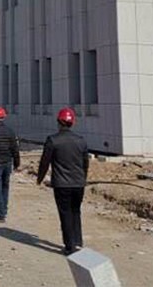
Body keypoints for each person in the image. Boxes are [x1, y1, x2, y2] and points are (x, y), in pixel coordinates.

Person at [36, 107, 89, 255]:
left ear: (58, 122)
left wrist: (40, 178)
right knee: (76, 211)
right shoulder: (81, 141)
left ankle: (69, 246)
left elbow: (45, 162)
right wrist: (83, 178)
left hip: (62, 184)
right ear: (72, 123)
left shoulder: (53, 140)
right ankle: (77, 241)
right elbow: (85, 163)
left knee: (65, 213)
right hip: (78, 183)